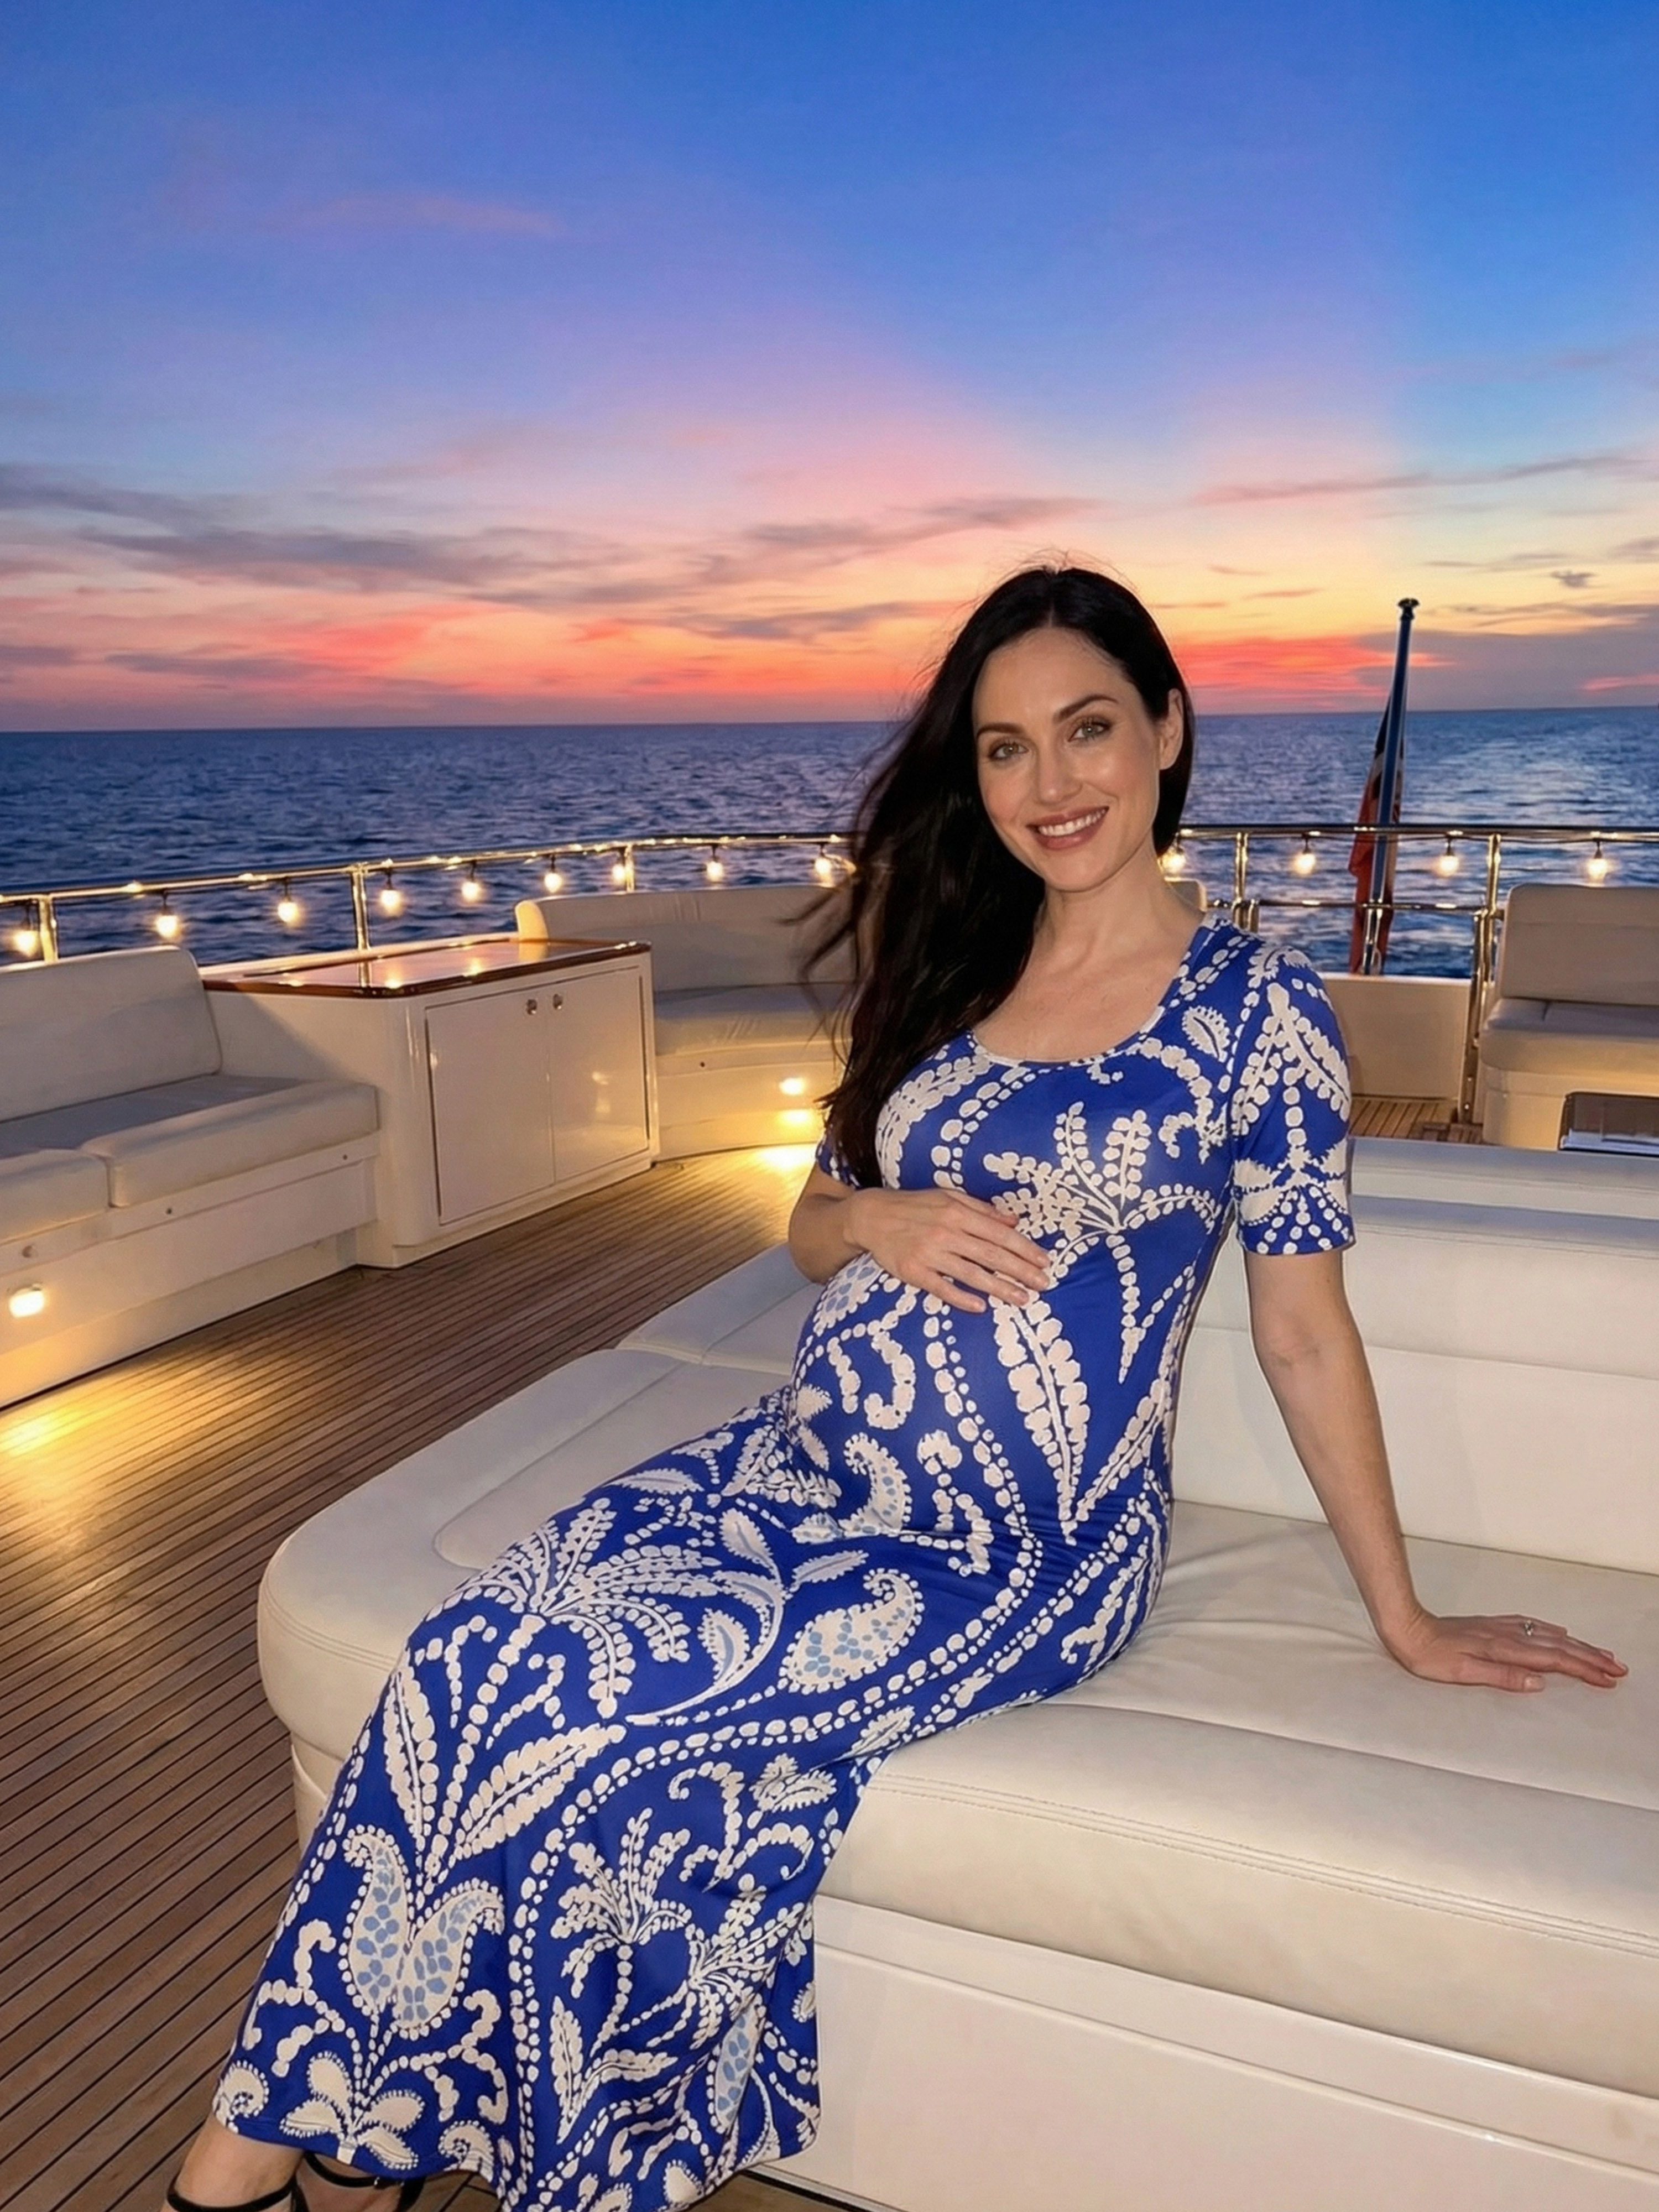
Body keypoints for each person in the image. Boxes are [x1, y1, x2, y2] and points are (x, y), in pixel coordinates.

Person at [168, 566, 1624, 2212]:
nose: (1050, 782)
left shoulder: (1257, 1016)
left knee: (614, 1723)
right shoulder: (942, 967)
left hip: (1011, 1548)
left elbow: (1301, 1333)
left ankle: (349, 2159)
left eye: (1087, 729)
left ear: (1167, 732)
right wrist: (880, 1217)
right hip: (789, 1472)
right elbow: (810, 1229)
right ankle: (293, 2142)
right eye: (1004, 748)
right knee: (470, 1655)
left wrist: (1404, 1617)